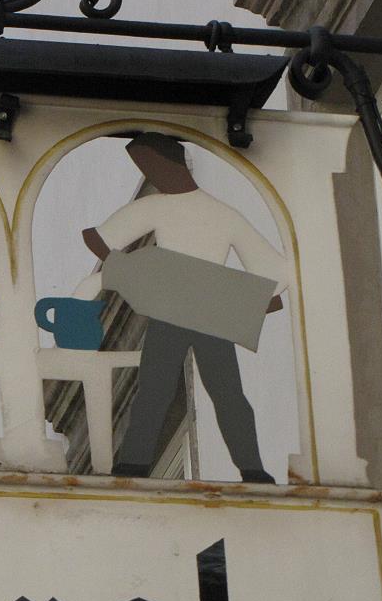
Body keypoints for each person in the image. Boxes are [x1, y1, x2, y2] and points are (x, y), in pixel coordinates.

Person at [77, 132, 290, 483]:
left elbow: (275, 272)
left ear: (173, 163)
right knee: (158, 389)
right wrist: (140, 272)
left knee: (222, 393)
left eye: (150, 165)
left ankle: (250, 468)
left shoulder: (217, 214)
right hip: (177, 311)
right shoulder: (165, 207)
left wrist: (238, 302)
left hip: (199, 313)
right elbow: (97, 239)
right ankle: (135, 463)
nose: (150, 173)